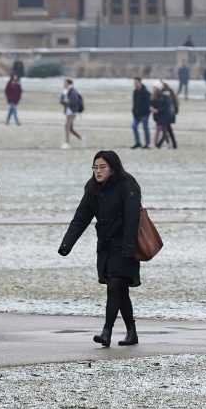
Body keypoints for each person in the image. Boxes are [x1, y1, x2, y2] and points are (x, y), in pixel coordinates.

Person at [57, 149, 143, 348]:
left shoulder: (126, 185)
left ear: (113, 168)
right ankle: (132, 331)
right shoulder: (93, 188)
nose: (98, 171)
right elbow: (81, 218)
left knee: (114, 287)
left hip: (125, 246)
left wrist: (129, 248)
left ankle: (107, 331)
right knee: (120, 291)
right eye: (95, 167)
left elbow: (133, 219)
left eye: (102, 167)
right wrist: (66, 244)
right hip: (105, 247)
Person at [152, 81, 177, 149]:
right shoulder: (167, 93)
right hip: (168, 114)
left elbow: (169, 105)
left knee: (165, 129)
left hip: (168, 115)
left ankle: (159, 144)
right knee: (166, 129)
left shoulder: (166, 95)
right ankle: (172, 144)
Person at [60, 78, 85, 149]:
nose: (64, 84)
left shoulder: (73, 91)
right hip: (68, 111)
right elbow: (61, 101)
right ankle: (82, 139)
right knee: (70, 128)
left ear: (69, 84)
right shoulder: (65, 91)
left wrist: (67, 102)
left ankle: (67, 143)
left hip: (72, 111)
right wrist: (66, 101)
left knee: (66, 126)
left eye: (65, 83)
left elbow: (73, 102)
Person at [130, 77, 152, 149]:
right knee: (134, 126)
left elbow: (148, 104)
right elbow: (134, 103)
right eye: (134, 83)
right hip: (136, 114)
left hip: (144, 114)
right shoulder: (135, 92)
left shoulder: (145, 92)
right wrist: (133, 110)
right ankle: (137, 142)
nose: (135, 84)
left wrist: (142, 111)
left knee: (145, 127)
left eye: (136, 83)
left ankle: (147, 143)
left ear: (140, 83)